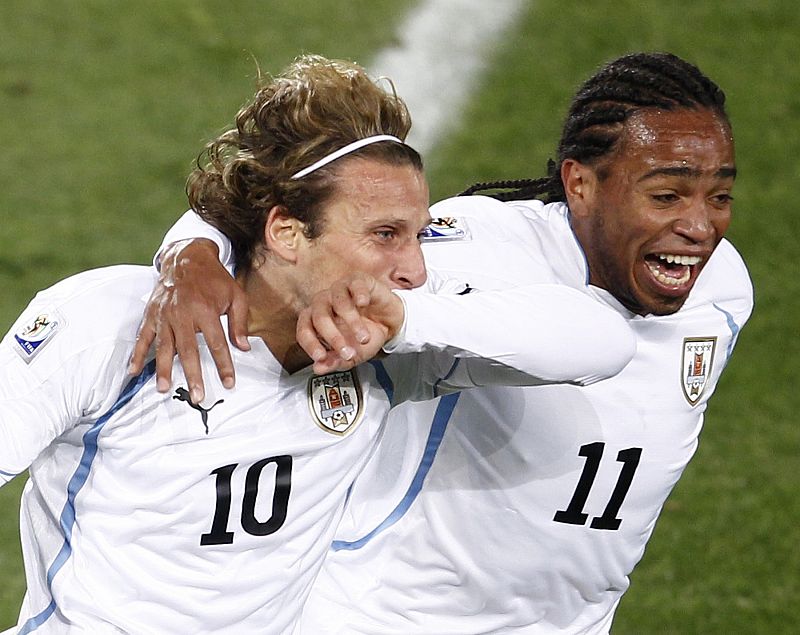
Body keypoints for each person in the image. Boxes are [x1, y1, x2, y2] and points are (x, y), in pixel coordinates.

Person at [0, 55, 635, 635]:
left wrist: (410, 321)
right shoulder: (113, 324)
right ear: (286, 232)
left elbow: (602, 341)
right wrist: (190, 247)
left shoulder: (390, 346)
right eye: (384, 235)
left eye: (418, 235)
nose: (414, 269)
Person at [131, 52, 753, 633]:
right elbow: (283, 208)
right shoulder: (479, 244)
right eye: (666, 196)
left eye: (720, 197)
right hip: (387, 614)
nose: (700, 227)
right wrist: (191, 251)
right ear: (581, 184)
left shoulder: (723, 289)